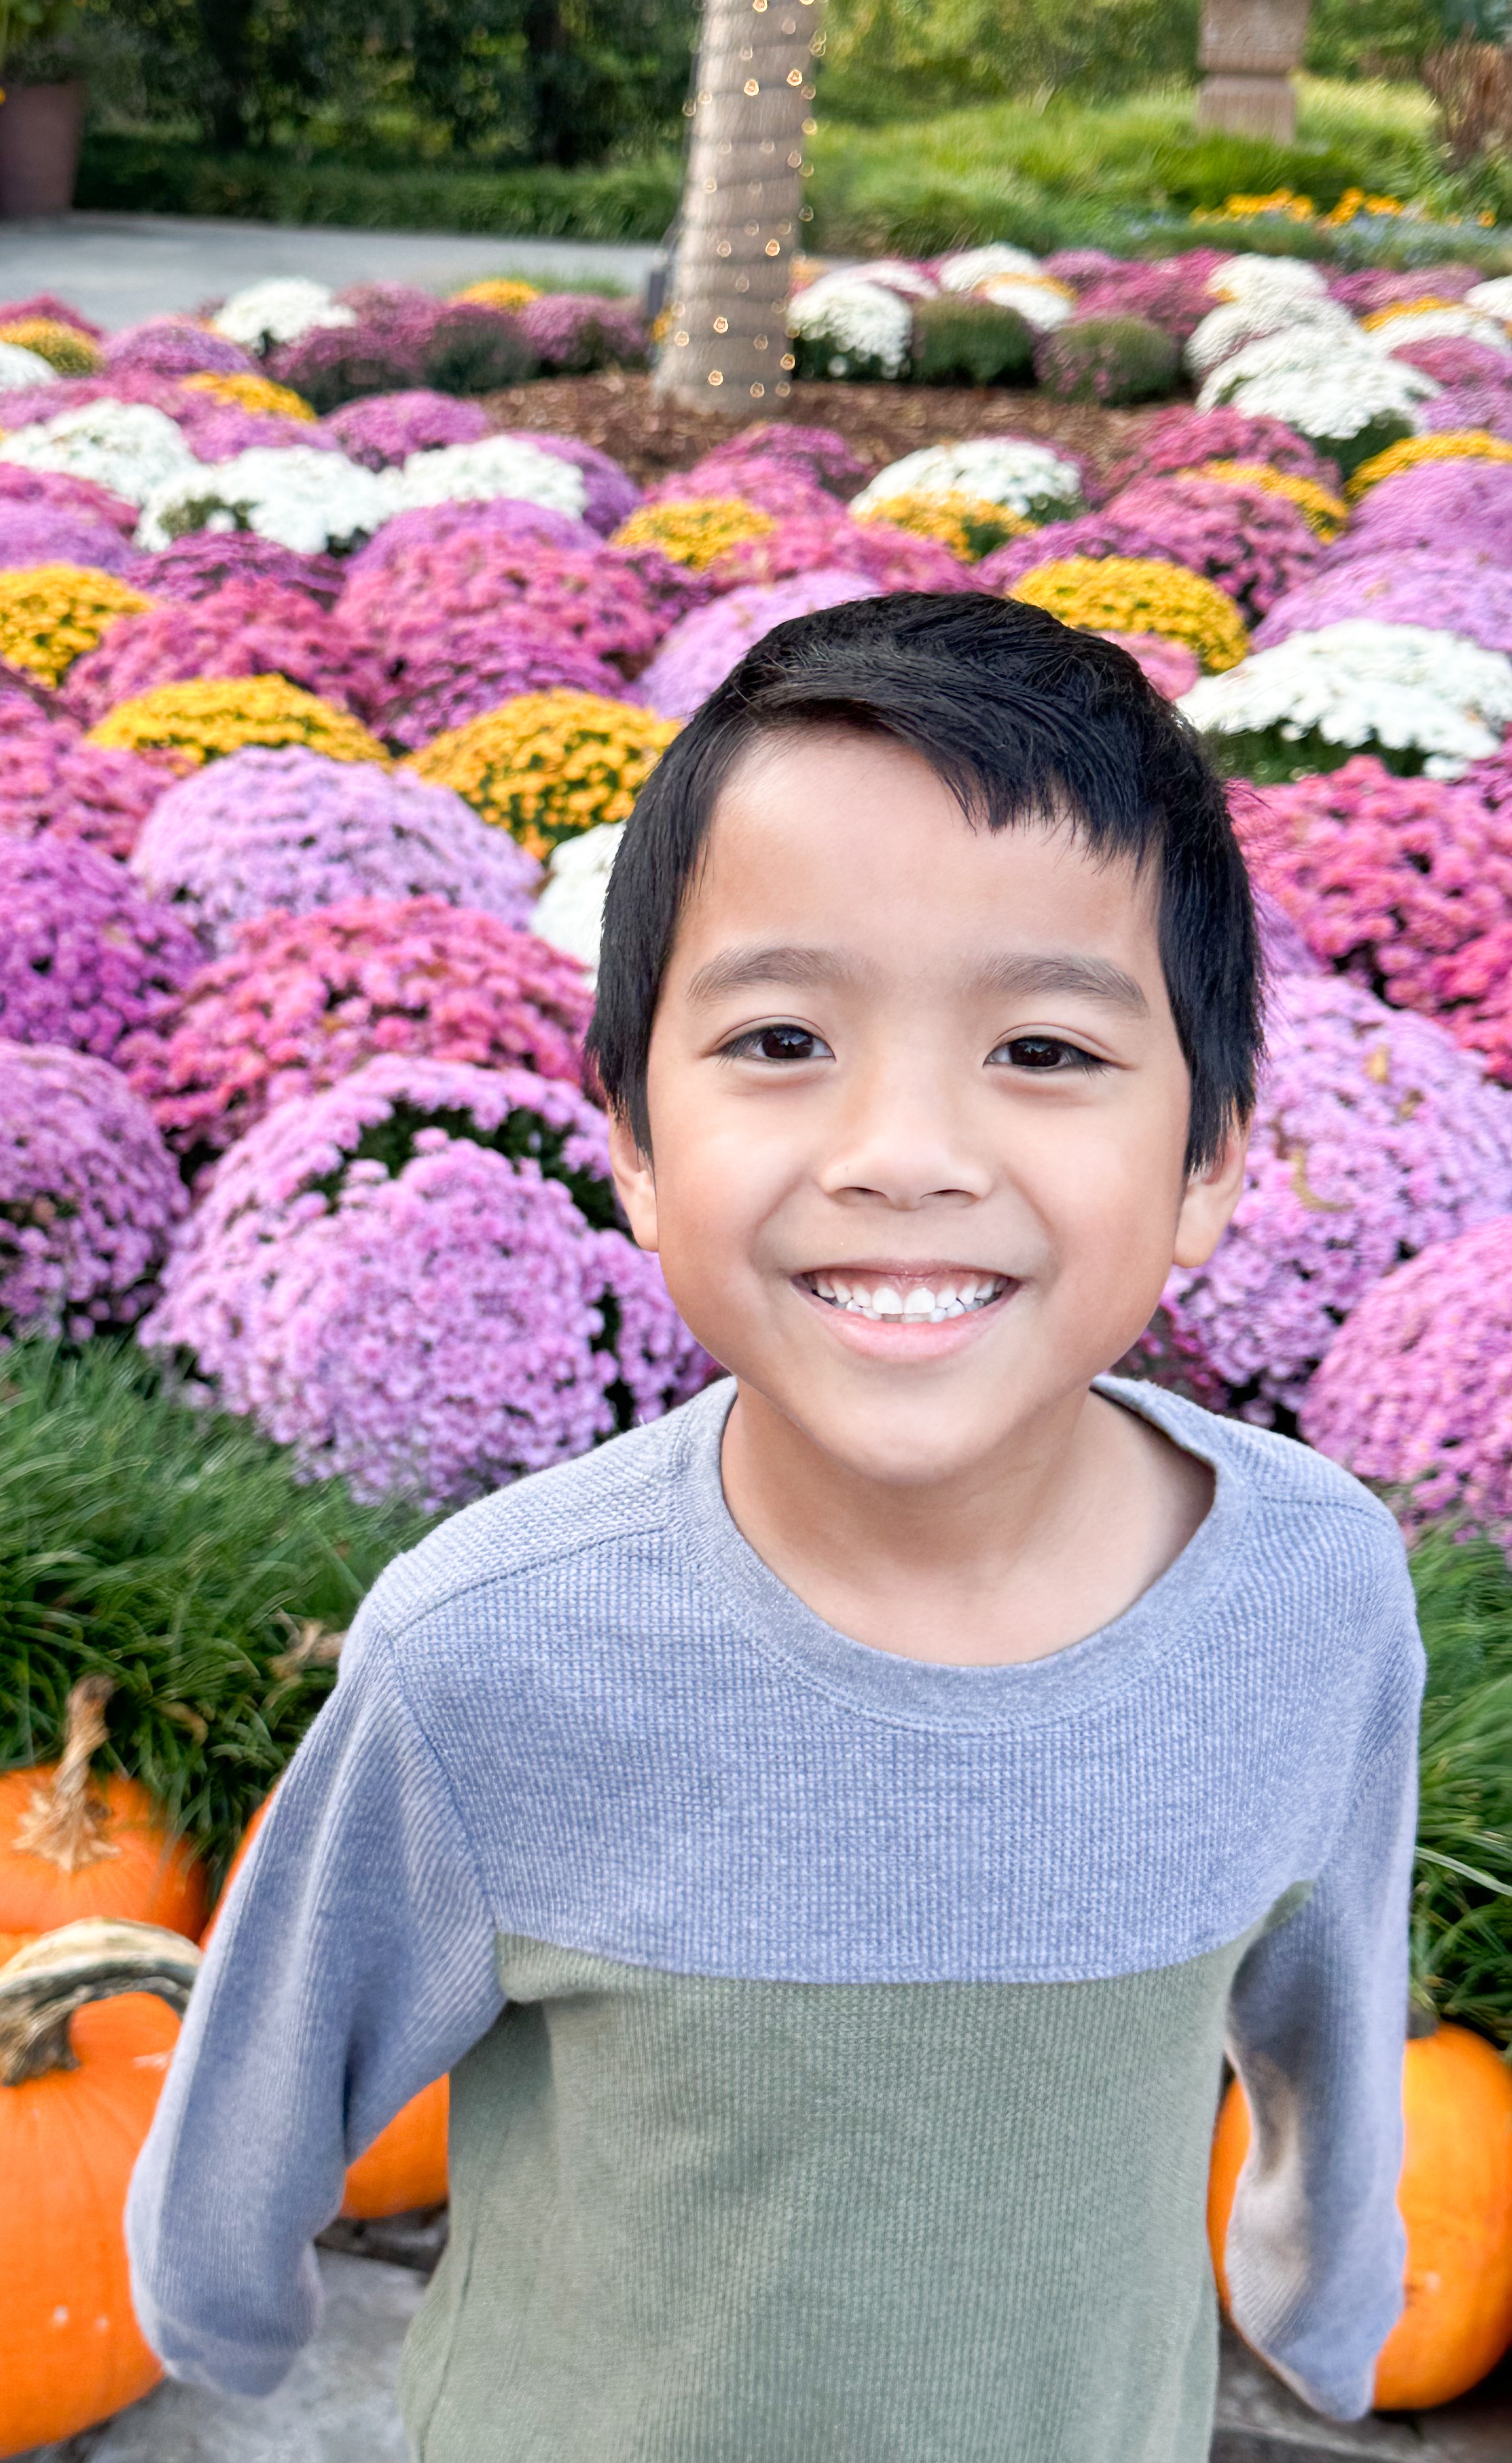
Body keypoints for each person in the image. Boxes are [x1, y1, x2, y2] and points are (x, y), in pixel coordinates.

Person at [127, 592, 1420, 2462]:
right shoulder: (494, 1650)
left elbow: (1334, 2002)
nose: (904, 1149)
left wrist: (1326, 2287)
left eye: (1045, 1052)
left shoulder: (1308, 1595)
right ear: (638, 1143)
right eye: (784, 1036)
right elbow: (270, 2075)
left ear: (1210, 1155)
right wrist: (217, 2296)